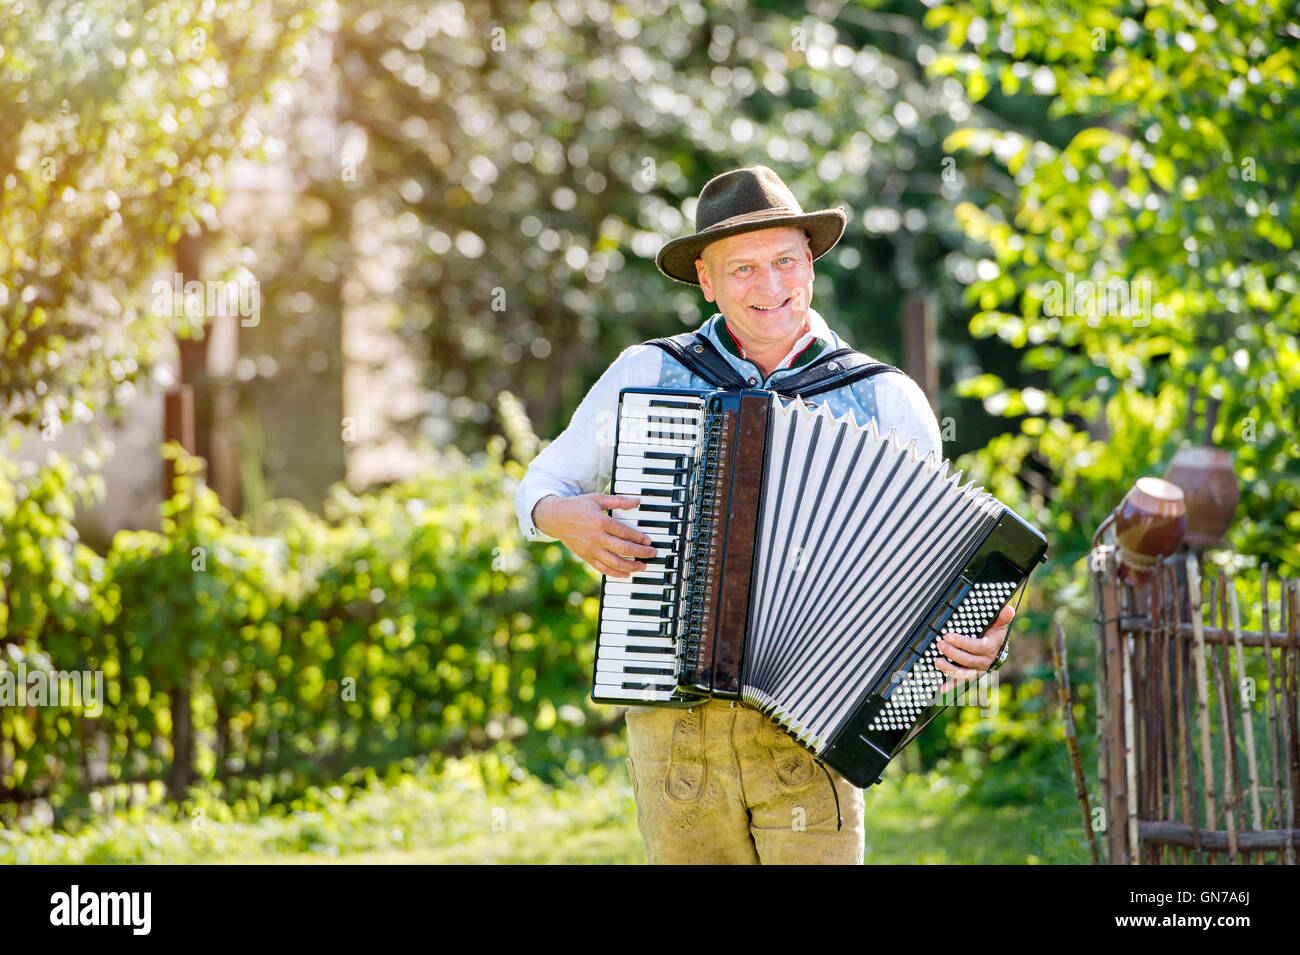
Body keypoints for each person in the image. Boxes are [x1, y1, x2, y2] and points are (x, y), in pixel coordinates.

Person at [514, 165, 1015, 864]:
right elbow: (541, 480)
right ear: (706, 281)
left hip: (813, 738)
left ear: (810, 263)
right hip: (675, 733)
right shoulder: (647, 373)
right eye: (742, 268)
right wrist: (557, 514)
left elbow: (938, 574)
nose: (770, 285)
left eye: (784, 260)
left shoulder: (885, 399)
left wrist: (977, 637)